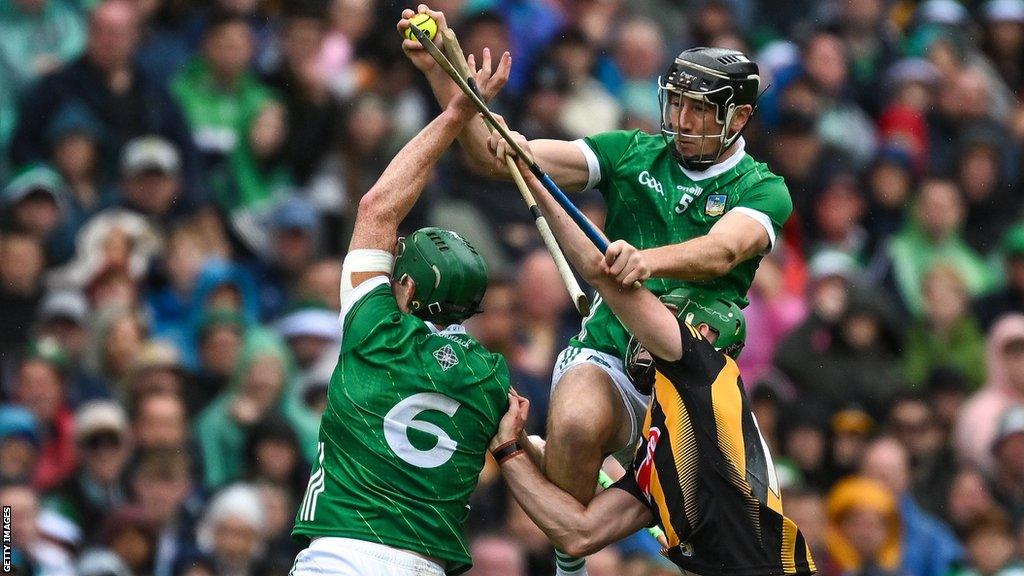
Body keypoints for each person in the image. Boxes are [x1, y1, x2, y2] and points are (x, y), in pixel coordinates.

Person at [400, 7, 792, 573]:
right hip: (611, 351)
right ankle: (569, 565)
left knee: (718, 537)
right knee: (578, 423)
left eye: (701, 110)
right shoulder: (632, 153)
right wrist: (443, 71)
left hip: (691, 391)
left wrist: (644, 261)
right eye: (676, 102)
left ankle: (585, 480)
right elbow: (503, 156)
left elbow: (722, 251)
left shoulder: (763, 188)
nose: (682, 119)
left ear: (741, 117)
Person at [482, 143, 814, 576]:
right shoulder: (668, 437)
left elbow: (602, 271)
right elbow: (578, 532)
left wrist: (533, 177)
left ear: (704, 338)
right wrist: (515, 446)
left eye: (674, 318)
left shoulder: (702, 377)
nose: (655, 323)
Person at [288, 50, 512, 576]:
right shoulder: (491, 378)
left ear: (405, 285)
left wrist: (456, 113)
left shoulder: (374, 327)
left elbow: (378, 207)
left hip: (338, 559)